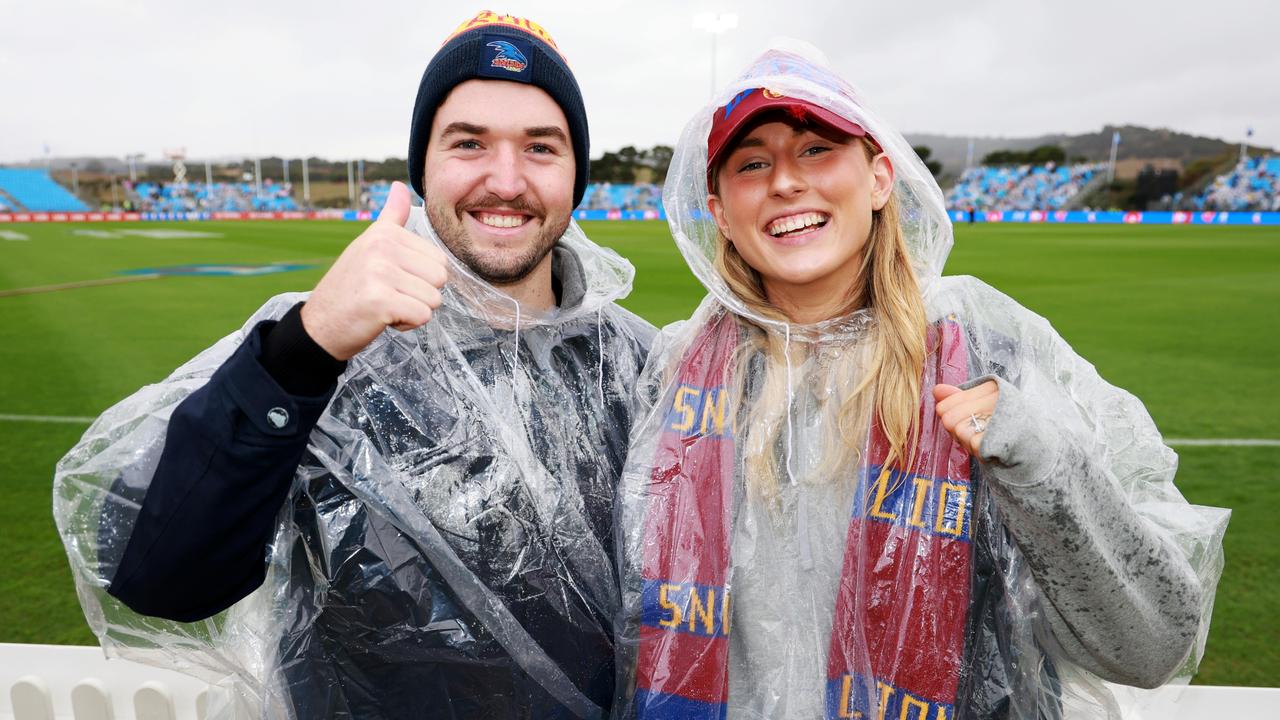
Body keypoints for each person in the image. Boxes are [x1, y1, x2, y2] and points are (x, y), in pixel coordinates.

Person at [54, 12, 653, 720]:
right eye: (468, 143)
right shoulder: (327, 345)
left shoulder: (640, 365)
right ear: (421, 167)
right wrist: (304, 350)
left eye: (541, 148)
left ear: (577, 174)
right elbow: (156, 575)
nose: (505, 178)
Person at [613, 43, 1227, 720]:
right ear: (720, 212)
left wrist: (1038, 461)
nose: (785, 181)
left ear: (879, 178)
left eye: (817, 149)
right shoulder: (673, 377)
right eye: (752, 163)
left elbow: (1152, 646)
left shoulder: (992, 356)